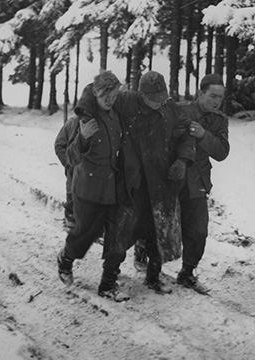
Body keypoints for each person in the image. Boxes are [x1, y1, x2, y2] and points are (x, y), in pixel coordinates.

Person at [113, 71, 196, 294]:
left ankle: (153, 275)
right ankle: (110, 274)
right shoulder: (126, 101)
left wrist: (182, 160)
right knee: (125, 229)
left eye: (163, 97)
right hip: (134, 181)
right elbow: (96, 97)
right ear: (142, 95)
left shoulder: (172, 110)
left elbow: (187, 135)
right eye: (154, 99)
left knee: (158, 231)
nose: (160, 103)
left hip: (162, 183)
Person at [56, 71, 127, 301]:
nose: (109, 99)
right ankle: (66, 258)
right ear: (95, 94)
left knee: (117, 236)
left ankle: (108, 284)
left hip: (112, 188)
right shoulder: (82, 120)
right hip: (87, 188)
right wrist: (83, 138)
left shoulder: (115, 116)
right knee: (85, 234)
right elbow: (70, 157)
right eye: (104, 94)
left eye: (113, 94)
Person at [177, 73, 230, 294]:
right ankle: (148, 262)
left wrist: (203, 135)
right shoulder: (181, 111)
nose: (216, 101)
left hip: (197, 180)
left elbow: (221, 152)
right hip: (173, 177)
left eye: (220, 97)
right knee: (160, 224)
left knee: (198, 230)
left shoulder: (219, 121)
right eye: (212, 96)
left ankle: (187, 273)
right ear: (201, 93)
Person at [54, 116, 80, 227]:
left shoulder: (105, 123)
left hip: (97, 177)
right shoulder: (73, 123)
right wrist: (68, 164)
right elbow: (59, 145)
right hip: (74, 175)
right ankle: (71, 221)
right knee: (72, 199)